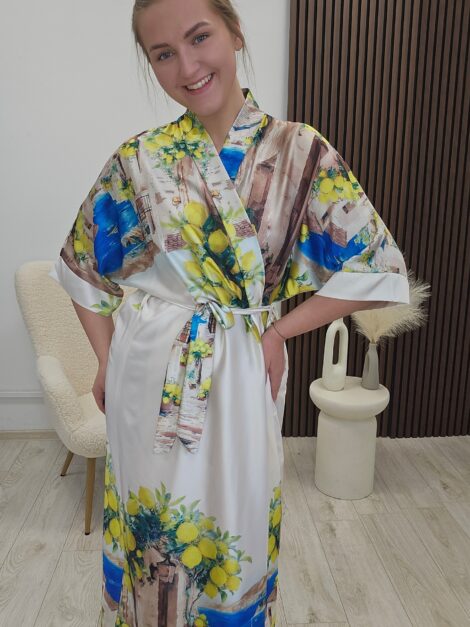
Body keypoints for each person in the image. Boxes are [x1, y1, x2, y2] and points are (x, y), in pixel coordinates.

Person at [48, 0, 410, 624]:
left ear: (235, 33)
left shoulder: (300, 151)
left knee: (236, 518)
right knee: (150, 523)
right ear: (150, 63)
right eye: (164, 53)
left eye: (200, 37)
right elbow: (83, 263)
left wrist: (280, 330)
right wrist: (107, 362)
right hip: (147, 370)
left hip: (241, 366)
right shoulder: (139, 159)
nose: (187, 66)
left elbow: (379, 269)